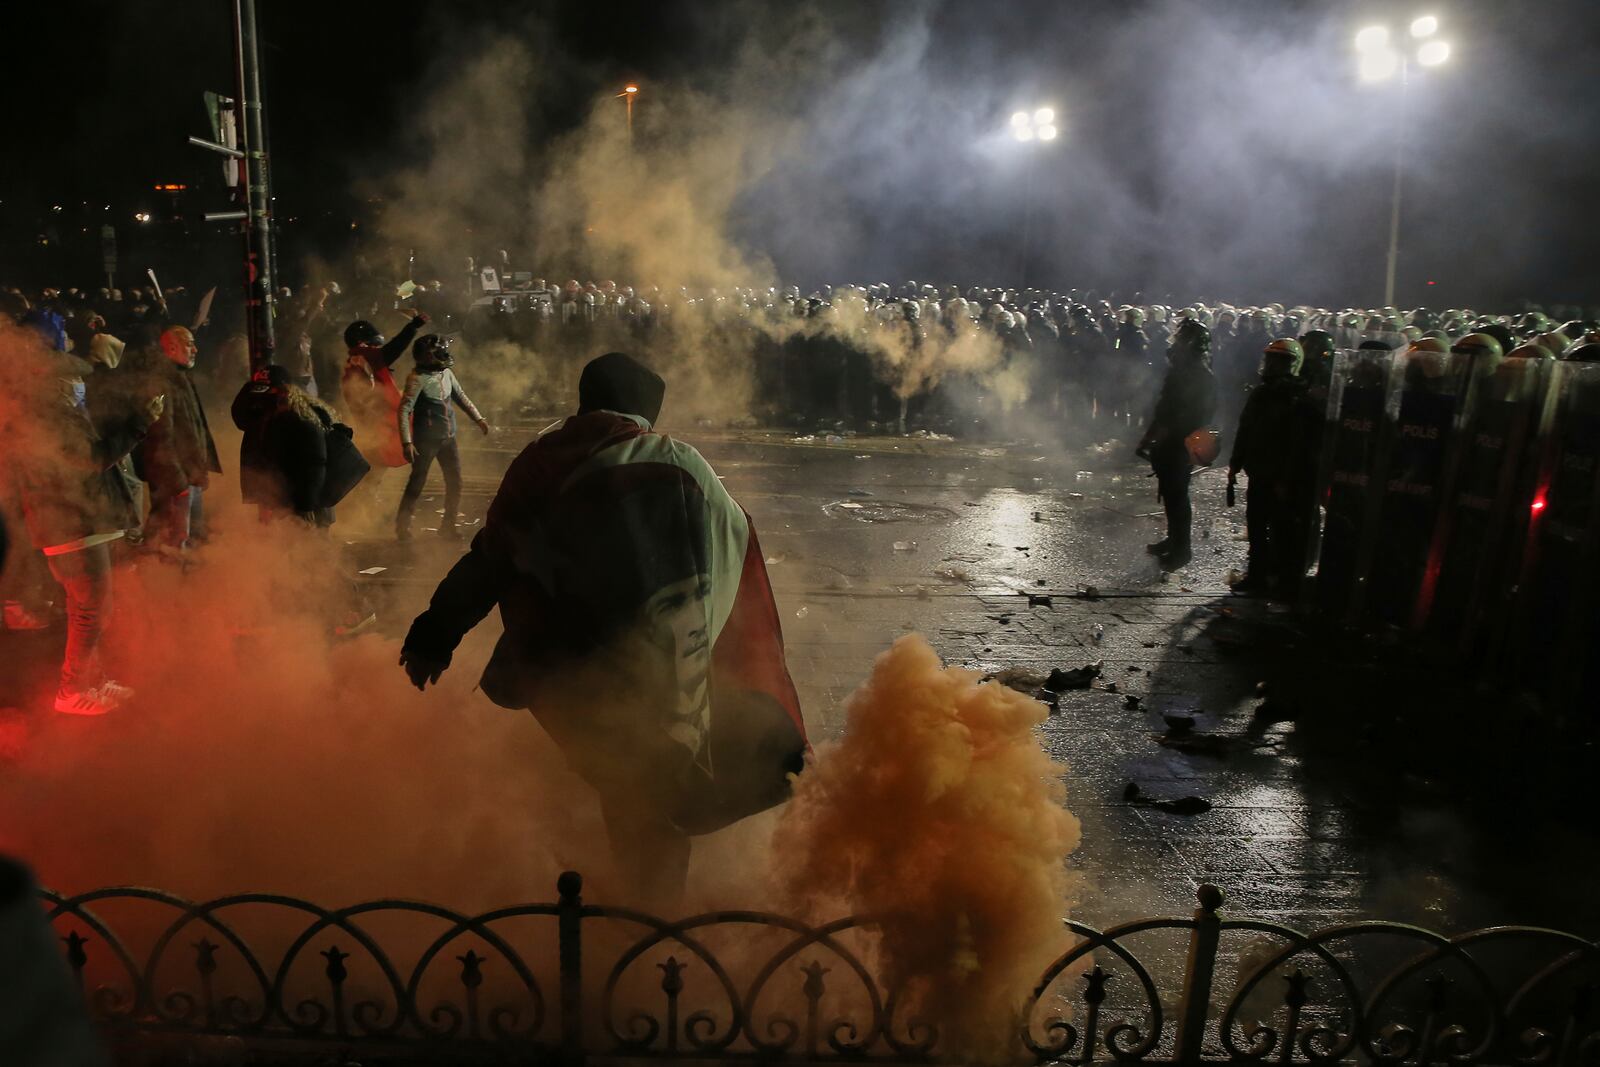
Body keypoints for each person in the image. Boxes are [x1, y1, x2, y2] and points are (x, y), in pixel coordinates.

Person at [398, 352, 807, 900]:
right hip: (666, 665)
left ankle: (627, 906)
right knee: (656, 786)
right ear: (645, 411)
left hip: (569, 671)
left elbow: (492, 559)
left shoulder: (541, 461)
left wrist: (434, 634)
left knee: (621, 784)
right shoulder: (680, 462)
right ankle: (652, 934)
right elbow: (731, 543)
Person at [0, 319, 164, 715]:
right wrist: (141, 423)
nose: (80, 385)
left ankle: (90, 680)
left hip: (80, 522)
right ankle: (71, 691)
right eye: (73, 378)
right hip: (69, 525)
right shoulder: (49, 416)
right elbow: (91, 460)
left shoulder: (51, 412)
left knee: (96, 607)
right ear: (55, 381)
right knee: (90, 608)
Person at [1226, 339, 1319, 597]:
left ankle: (1284, 583)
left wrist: (1285, 479)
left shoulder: (1298, 398)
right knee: (1256, 528)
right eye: (1271, 360)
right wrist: (1235, 462)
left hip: (1280, 477)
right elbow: (1245, 428)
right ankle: (1257, 577)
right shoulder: (1261, 393)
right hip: (1259, 473)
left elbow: (1297, 444)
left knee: (1283, 531)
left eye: (1279, 361)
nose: (1272, 366)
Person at [127, 326, 221, 551]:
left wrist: (200, 470)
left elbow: (194, 428)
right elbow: (160, 437)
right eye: (189, 344)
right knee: (172, 541)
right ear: (171, 347)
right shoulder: (161, 382)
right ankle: (166, 581)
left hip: (188, 477)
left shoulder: (179, 377)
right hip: (176, 480)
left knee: (190, 537)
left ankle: (187, 580)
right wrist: (178, 481)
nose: (195, 349)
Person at [1137, 318, 1217, 570]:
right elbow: (1165, 409)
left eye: (1181, 339)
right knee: (1172, 495)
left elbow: (1180, 413)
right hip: (1172, 439)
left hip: (1180, 441)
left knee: (1177, 495)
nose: (1176, 343)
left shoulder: (1197, 374)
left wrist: (1161, 434)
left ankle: (1182, 550)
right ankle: (1174, 540)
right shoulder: (1185, 371)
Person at [395, 334, 488, 541]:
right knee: (417, 481)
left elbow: (461, 396)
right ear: (428, 356)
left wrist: (478, 418)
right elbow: (404, 410)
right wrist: (407, 442)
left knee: (455, 482)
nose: (444, 354)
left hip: (448, 438)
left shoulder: (446, 374)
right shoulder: (417, 379)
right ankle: (403, 525)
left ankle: (448, 525)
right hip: (426, 441)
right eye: (440, 351)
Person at [340, 311, 427, 471]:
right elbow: (393, 349)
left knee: (375, 460)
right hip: (379, 418)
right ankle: (368, 494)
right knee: (378, 460)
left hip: (369, 419)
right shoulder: (365, 355)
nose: (376, 347)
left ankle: (368, 493)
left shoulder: (353, 361)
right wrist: (412, 327)